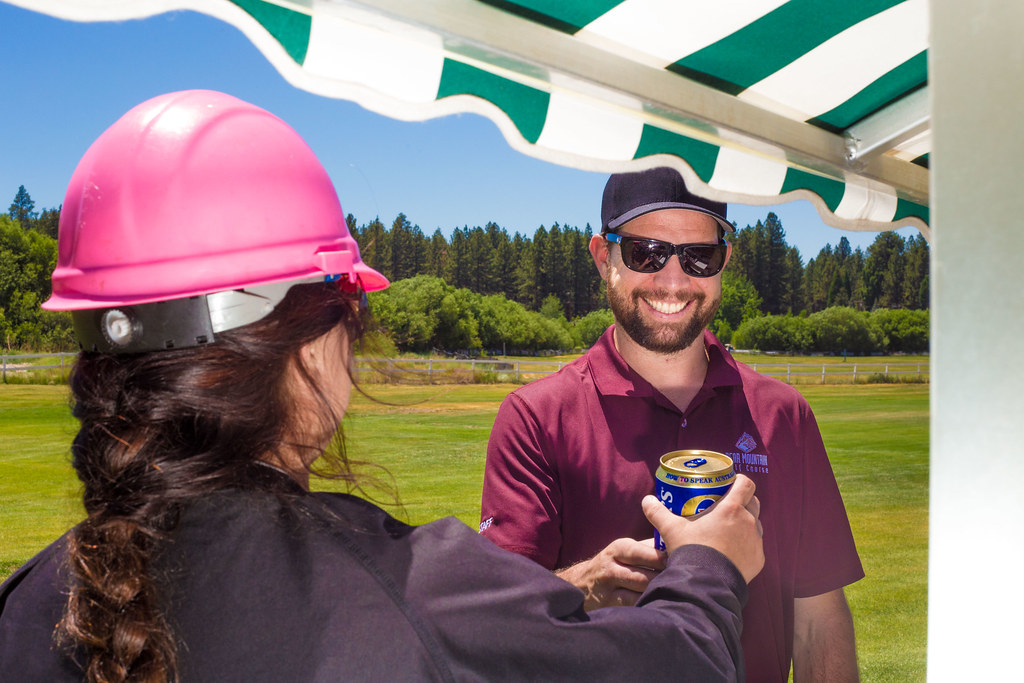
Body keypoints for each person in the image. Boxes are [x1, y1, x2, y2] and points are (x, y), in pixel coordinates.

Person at [0, 91, 765, 682]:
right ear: (310, 346)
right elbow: (675, 662)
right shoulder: (413, 585)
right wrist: (710, 565)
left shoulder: (26, 605)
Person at [480, 166, 864, 683]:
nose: (674, 280)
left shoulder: (783, 414)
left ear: (724, 261)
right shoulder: (536, 417)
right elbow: (493, 627)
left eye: (699, 256)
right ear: (602, 257)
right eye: (646, 252)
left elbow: (818, 619)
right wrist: (582, 587)